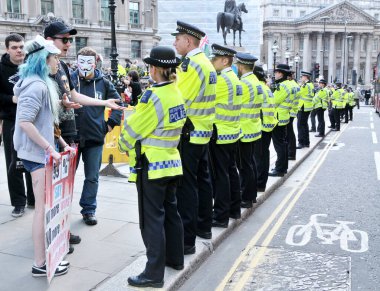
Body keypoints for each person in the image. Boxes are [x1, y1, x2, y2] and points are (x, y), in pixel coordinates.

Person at [44, 20, 123, 252]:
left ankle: (82, 214)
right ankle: (56, 228)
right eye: (65, 40)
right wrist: (62, 103)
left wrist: (107, 123)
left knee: (89, 178)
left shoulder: (79, 74)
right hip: (63, 137)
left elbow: (80, 98)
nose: (68, 44)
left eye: (70, 40)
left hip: (90, 138)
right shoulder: (50, 68)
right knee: (61, 183)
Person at [118, 46, 185, 288]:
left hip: (153, 166)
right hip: (173, 163)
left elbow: (133, 130)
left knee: (152, 220)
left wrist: (122, 143)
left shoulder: (152, 96)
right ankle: (176, 259)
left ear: (154, 68)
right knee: (171, 213)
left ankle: (153, 274)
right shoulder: (176, 92)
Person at [13, 35, 75, 277]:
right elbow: (25, 122)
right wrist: (51, 149)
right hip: (37, 155)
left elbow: (44, 123)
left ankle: (44, 260)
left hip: (41, 153)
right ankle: (40, 263)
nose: (57, 62)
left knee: (46, 207)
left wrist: (59, 143)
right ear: (43, 60)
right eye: (53, 58)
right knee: (42, 209)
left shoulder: (38, 83)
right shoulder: (37, 85)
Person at [172, 20, 217, 254]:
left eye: (177, 39)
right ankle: (204, 227)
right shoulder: (206, 63)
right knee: (203, 181)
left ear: (188, 41)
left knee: (186, 187)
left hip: (189, 133)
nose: (174, 43)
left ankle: (186, 240)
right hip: (203, 132)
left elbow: (180, 99)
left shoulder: (190, 64)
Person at [71, 47, 122, 225]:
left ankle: (89, 209)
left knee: (92, 177)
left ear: (95, 63)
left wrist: (108, 126)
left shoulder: (104, 82)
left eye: (88, 62)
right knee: (67, 177)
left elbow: (118, 103)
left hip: (94, 138)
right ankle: (62, 208)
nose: (84, 66)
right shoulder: (70, 79)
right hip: (72, 138)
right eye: (81, 61)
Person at [0, 33, 35, 217]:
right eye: (14, 47)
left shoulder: (31, 66)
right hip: (11, 120)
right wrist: (12, 98)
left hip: (32, 121)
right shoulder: (1, 69)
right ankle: (18, 202)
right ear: (7, 49)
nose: (19, 50)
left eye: (21, 46)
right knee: (14, 163)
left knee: (33, 160)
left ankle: (33, 198)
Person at [208, 44, 241, 227]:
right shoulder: (235, 79)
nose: (212, 62)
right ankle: (234, 209)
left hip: (220, 132)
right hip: (233, 131)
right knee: (230, 171)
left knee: (221, 175)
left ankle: (220, 215)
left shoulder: (221, 80)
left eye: (214, 59)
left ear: (225, 60)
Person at [235, 52, 262, 207]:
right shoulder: (256, 82)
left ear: (241, 66)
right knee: (250, 163)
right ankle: (251, 195)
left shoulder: (243, 83)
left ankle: (246, 197)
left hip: (243, 128)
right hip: (253, 126)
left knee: (244, 165)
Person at [253, 65, 278, 191]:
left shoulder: (258, 88)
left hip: (261, 126)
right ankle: (261, 183)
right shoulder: (266, 88)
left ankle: (259, 183)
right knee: (264, 155)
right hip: (268, 125)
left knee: (259, 157)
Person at [268, 64, 293, 177]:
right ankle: (283, 167)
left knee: (279, 145)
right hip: (284, 117)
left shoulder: (282, 86)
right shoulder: (287, 84)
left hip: (278, 118)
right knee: (282, 143)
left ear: (281, 73)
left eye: (276, 72)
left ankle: (280, 169)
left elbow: (274, 101)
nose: (275, 74)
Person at [296, 71, 314, 149]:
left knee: (300, 125)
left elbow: (298, 93)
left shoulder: (305, 85)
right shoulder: (311, 85)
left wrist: (300, 85)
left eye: (302, 77)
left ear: (306, 77)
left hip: (303, 106)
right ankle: (306, 142)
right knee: (305, 125)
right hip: (308, 106)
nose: (301, 78)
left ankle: (301, 142)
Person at [287, 71, 300, 160]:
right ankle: (292, 152)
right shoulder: (296, 85)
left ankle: (291, 153)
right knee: (290, 133)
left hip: (288, 111)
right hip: (293, 111)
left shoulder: (288, 85)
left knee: (288, 134)